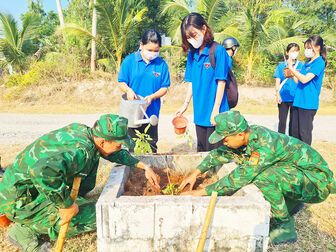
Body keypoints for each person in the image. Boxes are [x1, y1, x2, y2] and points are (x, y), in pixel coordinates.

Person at [0, 114, 160, 251]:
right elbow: (42, 172)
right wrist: (67, 205)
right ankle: (24, 232)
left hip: (31, 188)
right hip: (21, 202)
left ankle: (47, 211)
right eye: (119, 145)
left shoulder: (87, 133)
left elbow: (111, 152)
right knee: (97, 215)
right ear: (103, 141)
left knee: (91, 163)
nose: (120, 148)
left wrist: (144, 166)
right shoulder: (81, 152)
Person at [179, 111, 336, 244]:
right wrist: (195, 174)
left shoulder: (264, 144)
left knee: (261, 176)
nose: (224, 142)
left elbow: (239, 178)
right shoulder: (248, 136)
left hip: (316, 183)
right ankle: (292, 202)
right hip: (298, 173)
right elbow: (219, 154)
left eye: (225, 139)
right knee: (243, 159)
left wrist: (199, 192)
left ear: (240, 134)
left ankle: (285, 228)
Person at [175, 13, 230, 152]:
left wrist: (216, 110)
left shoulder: (218, 51)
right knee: (202, 152)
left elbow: (221, 82)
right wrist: (185, 105)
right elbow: (192, 82)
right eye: (188, 37)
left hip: (215, 114)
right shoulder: (192, 54)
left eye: (193, 35)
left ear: (204, 29)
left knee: (216, 156)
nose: (191, 39)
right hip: (200, 113)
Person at [118, 29, 171, 153]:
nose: (152, 53)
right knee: (131, 148)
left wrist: (152, 96)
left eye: (156, 51)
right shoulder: (130, 61)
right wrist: (128, 90)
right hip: (131, 114)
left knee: (150, 146)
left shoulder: (161, 64)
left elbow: (164, 87)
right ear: (141, 45)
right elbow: (121, 82)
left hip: (150, 113)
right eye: (150, 50)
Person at [288, 36, 327, 145]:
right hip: (298, 101)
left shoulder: (319, 63)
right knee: (294, 133)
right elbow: (299, 81)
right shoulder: (307, 63)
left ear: (318, 48)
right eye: (306, 48)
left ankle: (306, 159)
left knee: (304, 134)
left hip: (308, 103)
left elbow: (305, 79)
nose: (307, 51)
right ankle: (295, 158)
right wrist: (291, 75)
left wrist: (292, 69)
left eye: (309, 48)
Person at [273, 43, 304, 135]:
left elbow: (302, 81)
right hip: (283, 97)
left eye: (296, 51)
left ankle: (292, 141)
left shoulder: (301, 65)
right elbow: (277, 81)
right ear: (287, 52)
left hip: (296, 97)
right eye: (292, 51)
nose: (294, 53)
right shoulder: (281, 66)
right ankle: (281, 141)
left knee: (294, 123)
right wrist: (278, 94)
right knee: (282, 122)